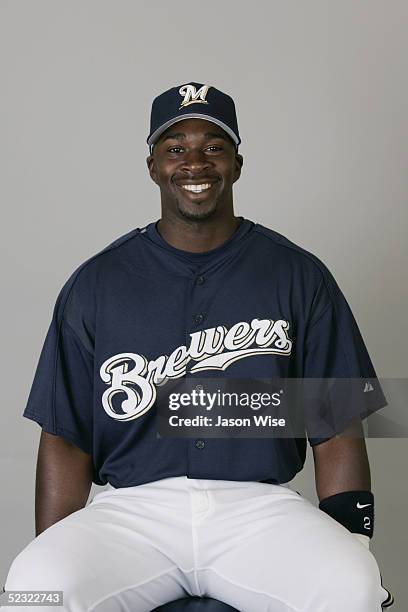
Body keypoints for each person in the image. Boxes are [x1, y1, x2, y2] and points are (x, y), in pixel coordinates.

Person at [2, 82, 394, 611]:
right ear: (152, 165)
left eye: (213, 146)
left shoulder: (298, 275)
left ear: (236, 163)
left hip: (259, 509)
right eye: (176, 147)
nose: (195, 162)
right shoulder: (97, 283)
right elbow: (65, 435)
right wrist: (55, 547)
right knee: (35, 589)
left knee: (353, 586)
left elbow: (338, 424)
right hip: (133, 511)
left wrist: (354, 544)